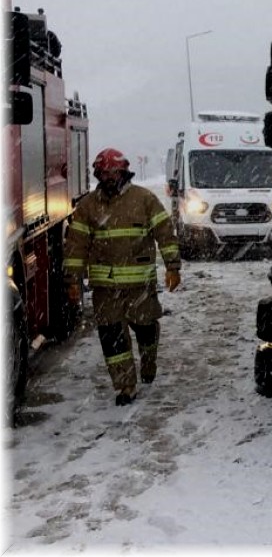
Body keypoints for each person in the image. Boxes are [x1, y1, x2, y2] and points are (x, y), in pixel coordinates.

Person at [64, 148, 182, 406]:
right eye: (103, 172)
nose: (108, 177)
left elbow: (165, 232)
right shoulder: (87, 207)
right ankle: (125, 387)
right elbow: (76, 245)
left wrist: (173, 266)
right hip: (106, 290)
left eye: (113, 171)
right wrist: (72, 279)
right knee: (112, 339)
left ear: (124, 171)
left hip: (140, 287)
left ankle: (149, 361)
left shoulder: (144, 199)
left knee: (147, 331)